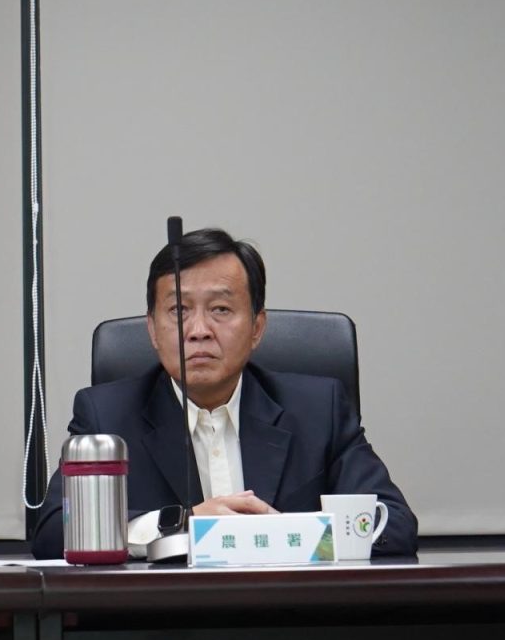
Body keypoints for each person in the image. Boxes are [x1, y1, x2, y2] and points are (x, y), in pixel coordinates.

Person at [30, 227, 416, 560]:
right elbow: (53, 531)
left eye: (220, 309)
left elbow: (394, 525)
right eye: (178, 310)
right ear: (152, 330)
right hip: (162, 617)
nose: (199, 330)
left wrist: (285, 535)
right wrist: (185, 524)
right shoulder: (107, 416)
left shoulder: (318, 410)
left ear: (257, 328)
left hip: (289, 614)